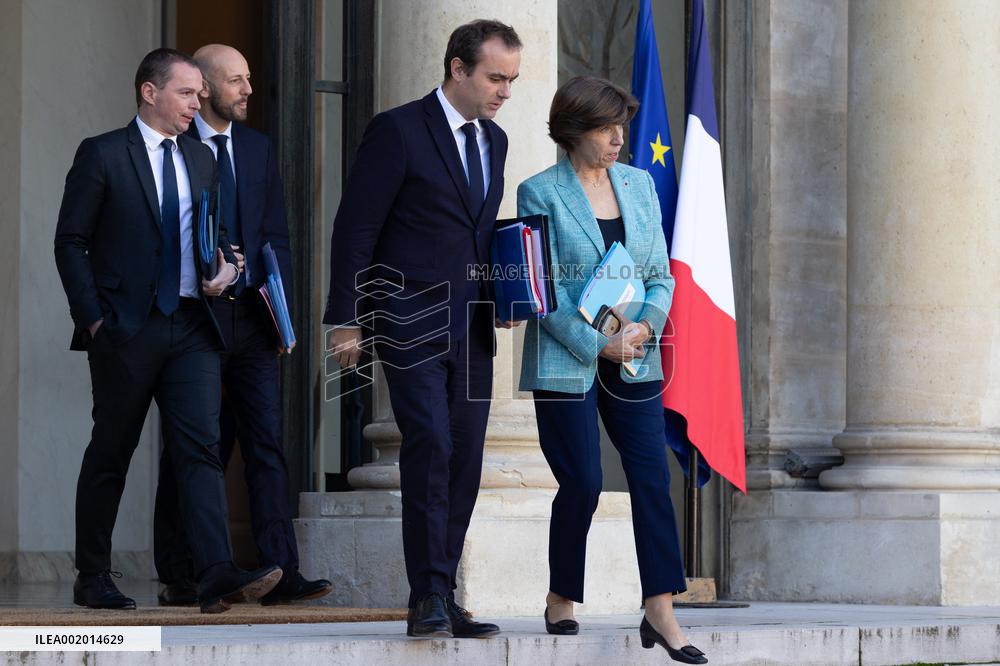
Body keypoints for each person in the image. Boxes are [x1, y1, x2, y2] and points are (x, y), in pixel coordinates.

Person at [53, 48, 283, 615]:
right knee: (113, 450)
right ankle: (93, 574)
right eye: (186, 92)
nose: (197, 102)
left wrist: (228, 271)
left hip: (193, 327)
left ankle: (213, 573)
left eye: (199, 93)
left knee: (200, 450)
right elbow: (70, 242)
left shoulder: (201, 159)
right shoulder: (103, 153)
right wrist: (94, 317)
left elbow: (222, 234)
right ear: (149, 92)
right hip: (127, 329)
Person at [323, 20, 521, 638]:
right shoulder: (397, 130)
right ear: (457, 68)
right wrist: (345, 318)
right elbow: (355, 227)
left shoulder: (497, 140)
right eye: (495, 77)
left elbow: (482, 232)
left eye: (512, 80)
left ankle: (446, 590)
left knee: (463, 459)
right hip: (406, 313)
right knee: (429, 444)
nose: (504, 92)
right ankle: (426, 596)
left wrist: (513, 290)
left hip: (475, 324)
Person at [516, 76, 708, 664]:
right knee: (584, 482)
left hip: (636, 357)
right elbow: (538, 288)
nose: (618, 137)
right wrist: (597, 344)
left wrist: (644, 327)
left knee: (652, 476)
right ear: (573, 131)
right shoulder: (539, 191)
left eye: (621, 125)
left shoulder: (639, 185)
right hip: (567, 360)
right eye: (605, 128)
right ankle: (561, 594)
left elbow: (660, 275)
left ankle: (660, 608)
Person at [151, 44, 332, 608]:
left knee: (265, 442)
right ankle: (182, 573)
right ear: (202, 87)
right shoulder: (170, 149)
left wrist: (282, 314)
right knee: (198, 443)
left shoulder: (257, 148)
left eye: (248, 79)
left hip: (253, 320)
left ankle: (281, 568)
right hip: (193, 321)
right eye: (236, 81)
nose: (249, 89)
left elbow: (276, 236)